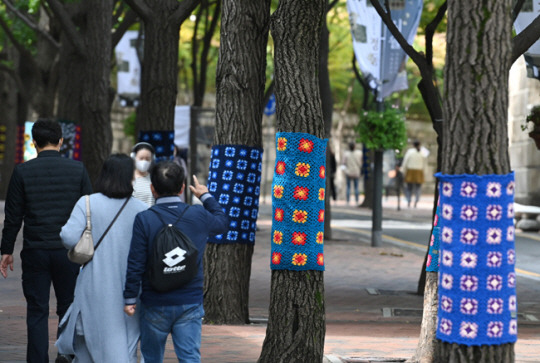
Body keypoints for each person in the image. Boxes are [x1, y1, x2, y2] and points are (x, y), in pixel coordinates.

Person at [0, 118, 92, 363]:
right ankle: (66, 354)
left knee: (37, 310)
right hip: (69, 252)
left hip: (35, 250)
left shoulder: (22, 171)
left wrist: (6, 250)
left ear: (34, 142)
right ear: (61, 141)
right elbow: (89, 210)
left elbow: (13, 216)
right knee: (68, 307)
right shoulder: (78, 170)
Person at [123, 161, 228, 362]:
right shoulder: (198, 214)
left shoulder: (144, 219)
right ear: (181, 188)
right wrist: (204, 196)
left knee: (151, 358)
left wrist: (129, 299)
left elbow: (136, 261)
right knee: (189, 357)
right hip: (190, 300)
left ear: (152, 188)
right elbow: (223, 223)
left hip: (155, 301)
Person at [56, 154, 148, 362]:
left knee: (89, 340)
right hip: (131, 290)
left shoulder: (87, 203)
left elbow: (68, 237)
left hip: (94, 285)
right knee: (125, 342)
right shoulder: (141, 209)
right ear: (129, 178)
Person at [401, 140, 427, 208]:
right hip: (419, 171)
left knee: (409, 188)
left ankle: (409, 201)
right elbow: (425, 163)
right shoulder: (423, 152)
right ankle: (416, 201)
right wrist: (424, 173)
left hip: (410, 171)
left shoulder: (410, 152)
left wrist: (404, 171)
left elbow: (405, 162)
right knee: (418, 188)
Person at [131, 141, 155, 206]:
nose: (144, 161)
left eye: (147, 159)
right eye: (141, 158)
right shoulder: (128, 178)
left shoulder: (154, 179)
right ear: (134, 158)